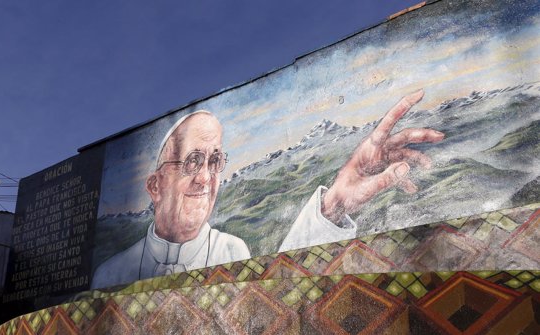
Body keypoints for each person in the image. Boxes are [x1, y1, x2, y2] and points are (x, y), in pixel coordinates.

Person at [91, 90, 444, 289]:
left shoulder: (234, 251)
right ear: (155, 185)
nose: (205, 178)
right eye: (191, 161)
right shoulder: (109, 274)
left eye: (214, 162)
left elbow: (277, 296)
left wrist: (334, 202)